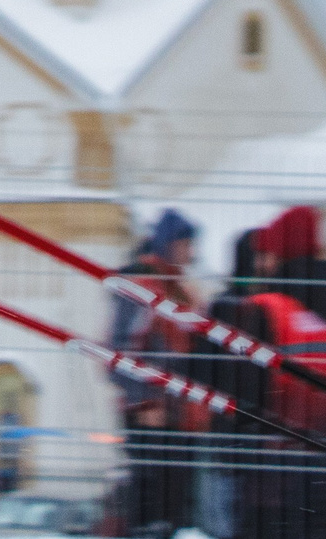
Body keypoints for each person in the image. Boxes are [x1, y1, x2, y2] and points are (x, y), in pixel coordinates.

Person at [213, 207, 326, 539]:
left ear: (280, 256)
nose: (260, 264)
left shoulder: (266, 309)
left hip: (271, 484)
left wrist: (230, 454)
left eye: (266, 255)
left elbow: (243, 395)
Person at [107, 208, 206, 538]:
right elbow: (118, 353)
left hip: (180, 416)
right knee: (153, 507)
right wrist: (145, 402)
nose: (191, 253)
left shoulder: (182, 290)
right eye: (186, 244)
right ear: (169, 244)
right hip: (152, 416)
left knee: (173, 509)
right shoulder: (143, 286)